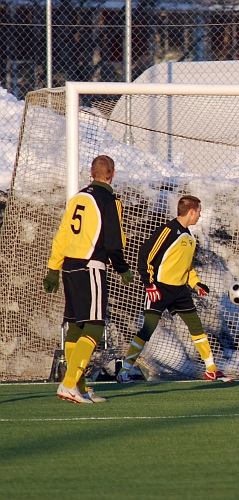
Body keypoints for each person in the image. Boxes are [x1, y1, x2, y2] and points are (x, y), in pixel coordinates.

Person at [44, 155, 134, 403]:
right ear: (112, 174)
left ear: (90, 173)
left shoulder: (78, 198)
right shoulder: (109, 200)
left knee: (75, 328)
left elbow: (62, 234)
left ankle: (79, 387)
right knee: (94, 327)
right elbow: (114, 242)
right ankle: (69, 383)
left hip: (69, 268)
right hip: (91, 266)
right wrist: (123, 268)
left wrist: (53, 269)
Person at [116, 195, 231, 383]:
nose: (199, 216)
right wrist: (149, 284)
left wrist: (196, 283)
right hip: (159, 288)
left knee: (196, 327)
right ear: (191, 211)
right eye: (199, 212)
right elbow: (145, 255)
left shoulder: (189, 237)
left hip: (180, 291)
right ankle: (124, 371)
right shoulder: (168, 231)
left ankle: (211, 370)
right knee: (147, 330)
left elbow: (185, 267)